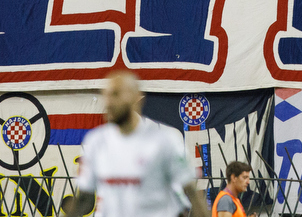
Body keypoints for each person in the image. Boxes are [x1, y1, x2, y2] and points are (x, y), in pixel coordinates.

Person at [64, 71, 208, 217]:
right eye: (106, 95)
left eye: (115, 95)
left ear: (136, 97)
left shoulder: (165, 140)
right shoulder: (96, 142)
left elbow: (191, 194)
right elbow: (84, 200)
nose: (109, 102)